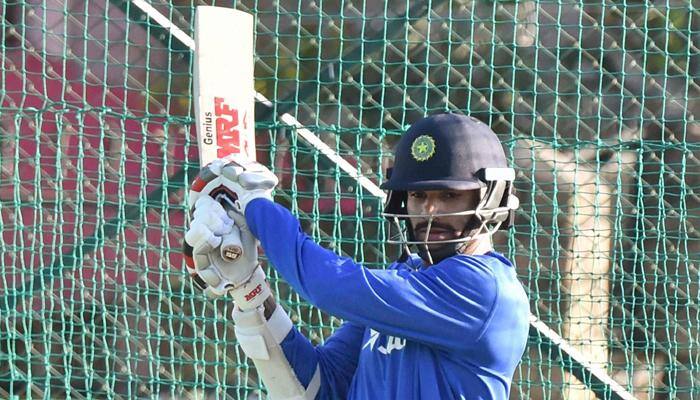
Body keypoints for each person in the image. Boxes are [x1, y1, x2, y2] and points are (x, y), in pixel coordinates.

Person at [183, 113, 530, 399]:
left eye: (449, 196)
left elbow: (329, 285)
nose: (429, 211)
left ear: (490, 200)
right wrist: (249, 290)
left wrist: (255, 206)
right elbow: (320, 386)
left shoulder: (484, 290)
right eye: (418, 196)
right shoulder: (407, 278)